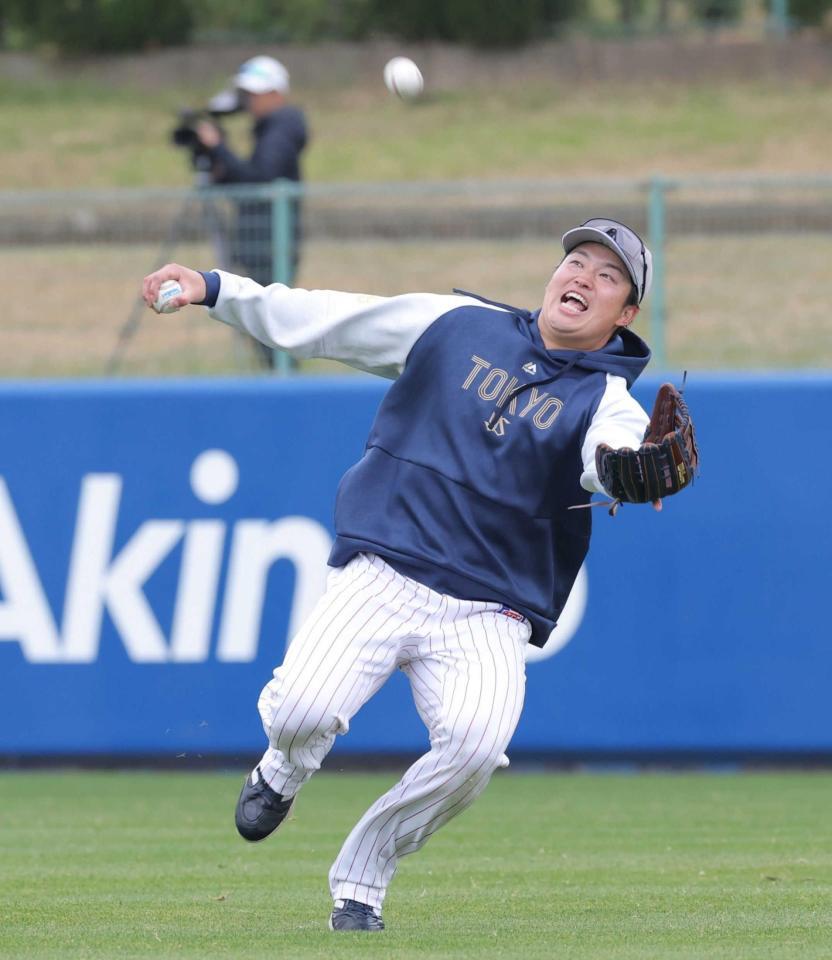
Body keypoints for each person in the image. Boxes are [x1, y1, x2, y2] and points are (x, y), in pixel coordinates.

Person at [143, 217, 661, 932]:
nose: (583, 278)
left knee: (476, 747)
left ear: (624, 315)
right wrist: (218, 289)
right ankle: (283, 769)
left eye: (608, 276)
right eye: (576, 261)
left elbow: (611, 456)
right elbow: (330, 319)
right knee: (300, 713)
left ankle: (363, 877)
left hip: (491, 608)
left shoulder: (609, 403)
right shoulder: (457, 325)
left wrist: (622, 471)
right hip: (387, 568)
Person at [196, 55, 309, 368]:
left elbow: (259, 180)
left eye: (255, 93)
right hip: (264, 242)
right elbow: (252, 180)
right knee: (263, 321)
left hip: (270, 245)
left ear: (276, 94)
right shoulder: (272, 130)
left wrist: (218, 147)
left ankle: (285, 380)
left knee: (270, 321)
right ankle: (280, 376)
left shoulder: (281, 129)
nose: (249, 101)